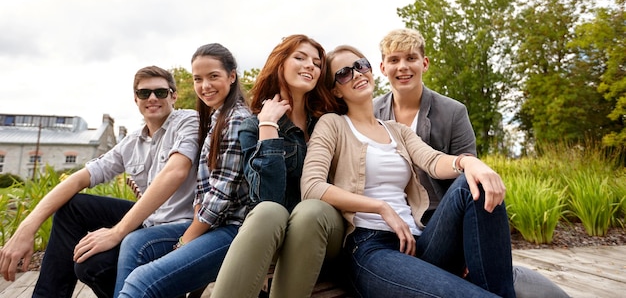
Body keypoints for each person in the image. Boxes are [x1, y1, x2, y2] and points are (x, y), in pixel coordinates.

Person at [301, 45, 516, 297]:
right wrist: (381, 207)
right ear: (335, 90)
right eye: (345, 73)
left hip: (420, 242)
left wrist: (469, 162)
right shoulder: (333, 124)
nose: (357, 74)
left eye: (361, 65)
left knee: (472, 183)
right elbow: (312, 186)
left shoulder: (397, 130)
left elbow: (433, 160)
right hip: (372, 247)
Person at [374, 27, 570, 298]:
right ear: (383, 67)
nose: (403, 67)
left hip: (437, 229)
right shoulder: (371, 114)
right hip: (390, 233)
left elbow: (466, 181)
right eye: (394, 60)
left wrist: (466, 248)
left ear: (425, 63)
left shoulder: (453, 112)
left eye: (411, 58)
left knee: (473, 181)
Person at [0, 66, 200, 298]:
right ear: (136, 99)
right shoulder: (132, 142)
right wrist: (27, 227)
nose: (152, 98)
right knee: (76, 217)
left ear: (173, 96)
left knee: (93, 263)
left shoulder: (187, 121)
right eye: (144, 93)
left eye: (160, 92)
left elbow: (175, 172)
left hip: (182, 226)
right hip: (149, 222)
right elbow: (78, 179)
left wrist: (116, 232)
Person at [211, 34, 344, 298]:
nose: (310, 66)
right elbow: (266, 198)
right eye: (300, 57)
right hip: (277, 233)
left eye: (317, 63)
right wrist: (269, 127)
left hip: (326, 230)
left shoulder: (329, 120)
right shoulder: (254, 125)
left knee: (311, 210)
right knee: (267, 211)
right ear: (280, 63)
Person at [115, 43, 251, 297]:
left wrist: (184, 242)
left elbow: (220, 198)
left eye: (213, 76)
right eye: (198, 79)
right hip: (215, 225)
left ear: (232, 76)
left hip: (233, 230)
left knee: (140, 282)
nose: (204, 86)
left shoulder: (236, 120)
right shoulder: (217, 117)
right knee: (135, 245)